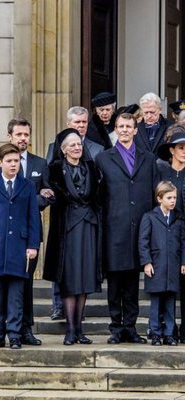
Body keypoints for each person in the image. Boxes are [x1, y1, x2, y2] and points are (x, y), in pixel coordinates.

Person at [0, 117, 53, 346]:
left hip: (24, 240)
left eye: (26, 135)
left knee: (22, 288)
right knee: (1, 292)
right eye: (19, 135)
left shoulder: (38, 165)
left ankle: (22, 331)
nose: (23, 138)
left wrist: (33, 243)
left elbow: (43, 201)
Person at [95, 113, 157, 344]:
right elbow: (99, 198)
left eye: (128, 126)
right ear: (115, 129)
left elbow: (154, 194)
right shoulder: (103, 158)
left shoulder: (148, 159)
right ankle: (116, 328)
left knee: (132, 283)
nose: (124, 130)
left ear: (135, 129)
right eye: (120, 126)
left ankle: (130, 327)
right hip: (114, 229)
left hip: (140, 229)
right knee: (115, 284)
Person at [0, 143, 40, 349]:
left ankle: (14, 334)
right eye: (9, 161)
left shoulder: (27, 186)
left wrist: (33, 245)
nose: (14, 165)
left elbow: (33, 217)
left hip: (19, 247)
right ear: (0, 163)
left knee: (16, 294)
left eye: (16, 161)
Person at [43, 129, 102, 345]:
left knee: (85, 278)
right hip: (67, 229)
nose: (77, 147)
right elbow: (47, 193)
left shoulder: (92, 168)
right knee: (70, 279)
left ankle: (79, 329)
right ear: (63, 149)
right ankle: (69, 329)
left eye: (79, 144)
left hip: (89, 227)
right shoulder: (55, 170)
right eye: (72, 145)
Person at [139, 181, 185, 346]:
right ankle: (156, 333)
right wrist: (146, 262)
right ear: (160, 198)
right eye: (169, 197)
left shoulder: (178, 219)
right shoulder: (149, 217)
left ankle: (170, 334)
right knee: (156, 302)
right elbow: (143, 242)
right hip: (156, 266)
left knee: (170, 302)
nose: (173, 201)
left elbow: (183, 242)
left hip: (172, 266)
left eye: (174, 197)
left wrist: (183, 262)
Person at [157, 125, 185, 342]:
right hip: (167, 231)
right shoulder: (162, 172)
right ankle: (166, 329)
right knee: (166, 285)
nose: (184, 151)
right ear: (172, 150)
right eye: (180, 147)